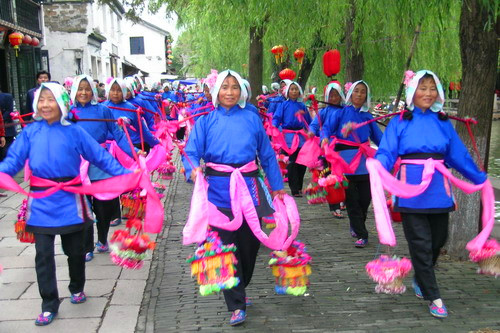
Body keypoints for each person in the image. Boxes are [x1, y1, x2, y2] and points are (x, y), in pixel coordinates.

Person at [0, 82, 131, 326]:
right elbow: (13, 161)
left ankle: (76, 287)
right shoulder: (30, 132)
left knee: (75, 252)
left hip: (71, 198)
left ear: (61, 103)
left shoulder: (75, 131)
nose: (45, 105)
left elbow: (100, 157)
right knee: (43, 255)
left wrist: (127, 174)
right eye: (41, 100)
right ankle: (49, 304)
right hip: (41, 201)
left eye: (51, 99)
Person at [374, 70, 487, 318]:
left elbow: (458, 155)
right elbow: (386, 151)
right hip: (409, 191)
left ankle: (421, 277)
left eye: (432, 88)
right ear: (412, 92)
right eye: (422, 88)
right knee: (421, 245)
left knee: (438, 240)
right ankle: (433, 296)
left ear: (438, 92)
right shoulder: (399, 122)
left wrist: (479, 177)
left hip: (438, 190)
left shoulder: (444, 122)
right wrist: (378, 165)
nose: (427, 93)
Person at [183, 70, 285, 326]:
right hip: (218, 190)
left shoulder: (252, 120)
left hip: (251, 186)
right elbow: (191, 152)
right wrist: (193, 169)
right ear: (216, 91)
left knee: (250, 245)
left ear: (241, 91)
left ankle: (240, 283)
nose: (229, 92)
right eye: (224, 87)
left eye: (234, 87)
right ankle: (236, 303)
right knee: (225, 246)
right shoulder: (205, 122)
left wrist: (277, 185)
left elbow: (268, 155)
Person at [69, 75, 137, 261]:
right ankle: (86, 246)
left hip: (99, 162)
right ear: (74, 91)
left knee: (103, 207)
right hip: (77, 164)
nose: (83, 92)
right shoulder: (68, 113)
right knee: (83, 208)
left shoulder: (103, 110)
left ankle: (102, 240)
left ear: (93, 91)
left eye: (87, 88)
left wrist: (135, 151)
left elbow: (118, 135)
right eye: (80, 89)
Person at [320, 80, 383, 247]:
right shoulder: (340, 113)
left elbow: (379, 139)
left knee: (364, 200)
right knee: (352, 201)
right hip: (345, 165)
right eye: (357, 91)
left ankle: (356, 225)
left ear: (366, 96)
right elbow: (326, 128)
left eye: (363, 92)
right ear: (350, 94)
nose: (359, 94)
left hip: (364, 164)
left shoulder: (368, 117)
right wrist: (324, 137)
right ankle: (362, 234)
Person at [308, 81, 346, 218]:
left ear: (341, 96)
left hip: (343, 148)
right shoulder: (324, 111)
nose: (333, 98)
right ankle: (335, 205)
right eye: (331, 96)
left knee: (344, 175)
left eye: (336, 95)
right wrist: (312, 132)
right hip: (328, 148)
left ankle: (343, 199)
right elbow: (316, 126)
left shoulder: (346, 111)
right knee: (330, 176)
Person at [272, 81, 312, 197]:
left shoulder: (303, 106)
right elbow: (277, 118)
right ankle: (294, 189)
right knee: (291, 163)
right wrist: (274, 126)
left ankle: (299, 186)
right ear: (288, 92)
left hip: (301, 137)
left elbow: (309, 122)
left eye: (296, 89)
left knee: (302, 163)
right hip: (288, 137)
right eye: (292, 89)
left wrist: (312, 132)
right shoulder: (283, 105)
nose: (294, 91)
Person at [103, 78, 160, 153]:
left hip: (129, 148)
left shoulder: (131, 108)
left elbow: (142, 129)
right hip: (106, 150)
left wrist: (157, 144)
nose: (115, 93)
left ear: (124, 92)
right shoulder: (102, 107)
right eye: (112, 90)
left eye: (119, 90)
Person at [0, 89, 14, 161]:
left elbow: (9, 111)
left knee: (6, 153)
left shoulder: (7, 97)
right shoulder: (8, 96)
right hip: (6, 129)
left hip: (7, 130)